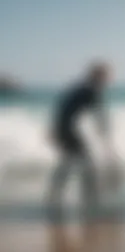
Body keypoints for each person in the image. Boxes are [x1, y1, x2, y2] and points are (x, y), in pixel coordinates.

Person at [47, 61, 112, 208]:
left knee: (70, 162)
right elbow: (99, 115)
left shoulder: (80, 87)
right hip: (67, 130)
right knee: (87, 164)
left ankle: (54, 196)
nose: (108, 80)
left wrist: (54, 130)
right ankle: (89, 199)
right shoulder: (91, 90)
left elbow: (61, 107)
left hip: (63, 129)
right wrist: (105, 136)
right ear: (99, 76)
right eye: (106, 76)